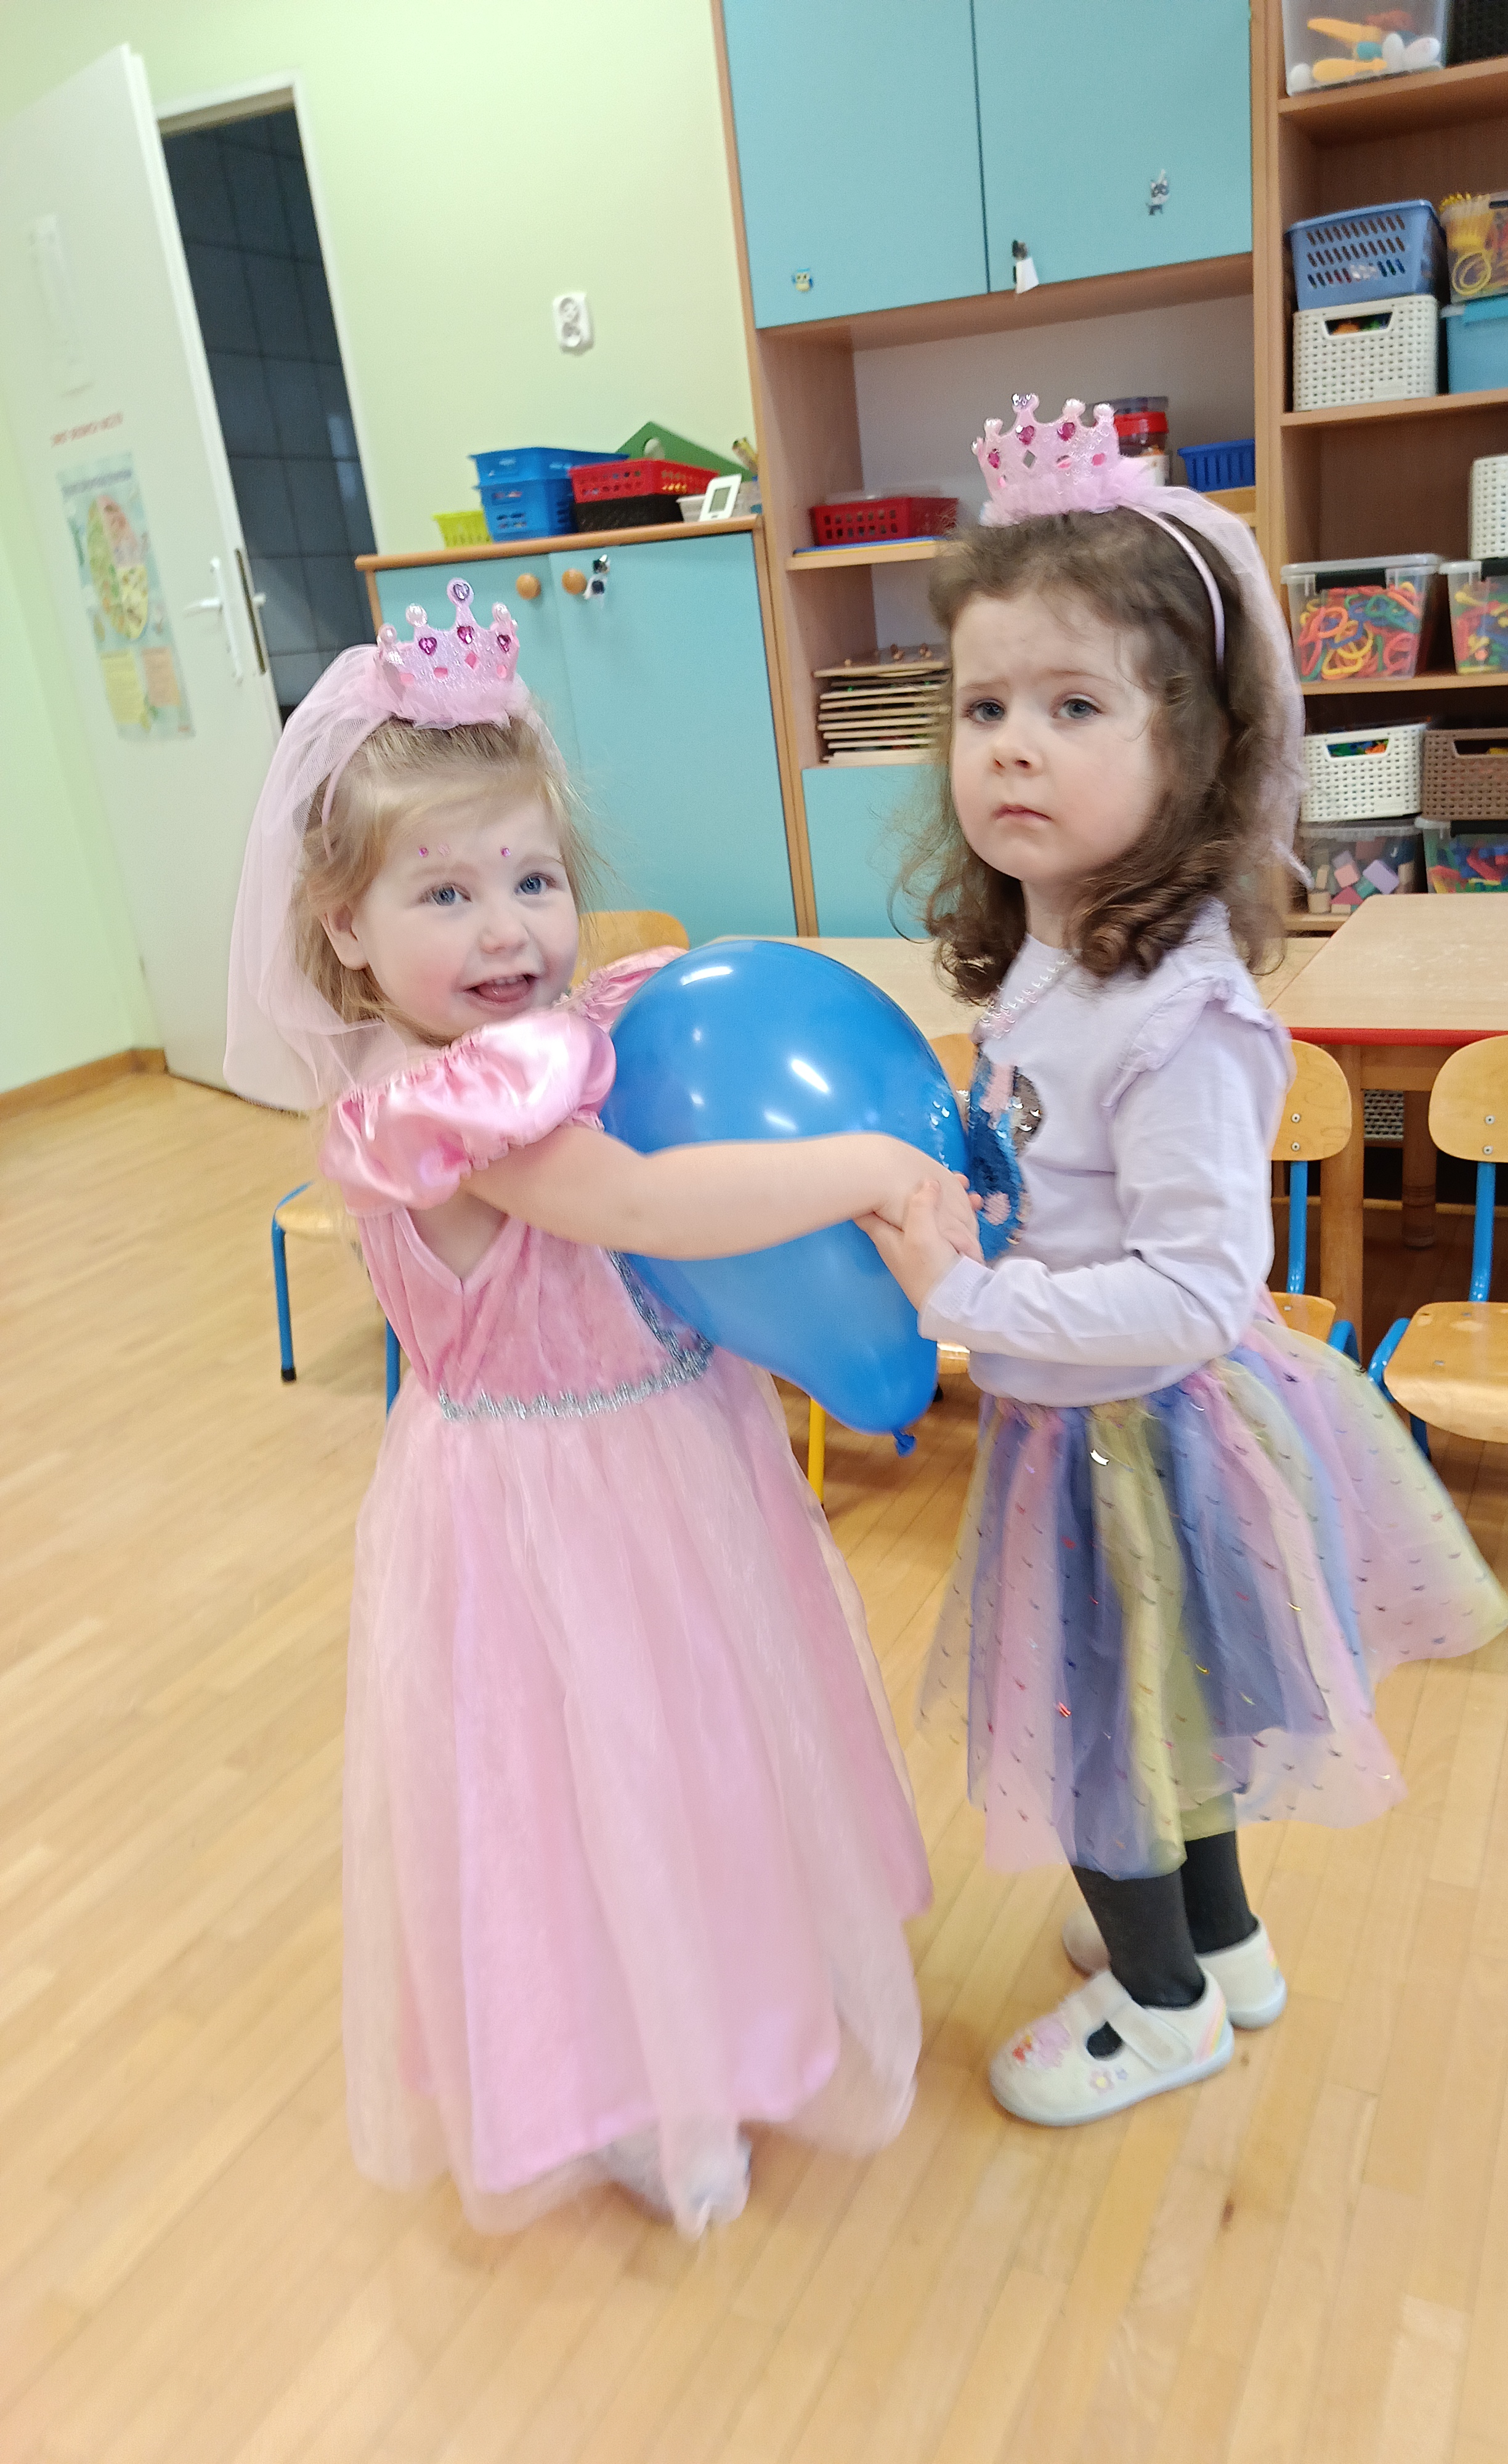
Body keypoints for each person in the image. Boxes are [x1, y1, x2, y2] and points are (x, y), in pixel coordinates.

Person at [224, 582, 975, 2234]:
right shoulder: (440, 1105)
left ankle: (730, 2020)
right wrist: (861, 1163)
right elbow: (638, 1211)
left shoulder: (542, 1048)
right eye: (445, 891)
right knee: (592, 1791)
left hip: (662, 1449)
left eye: (534, 879)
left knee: (695, 1761)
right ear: (343, 926)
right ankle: (642, 2092)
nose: (508, 928)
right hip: (552, 1512)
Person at [862, 401, 1508, 2126]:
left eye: (1074, 707)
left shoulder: (1180, 1012)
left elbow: (1202, 1286)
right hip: (1081, 1425)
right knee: (1167, 1717)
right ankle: (1218, 1948)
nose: (1013, 748)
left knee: (1097, 1733)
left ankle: (1160, 2012)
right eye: (984, 707)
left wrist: (963, 1298)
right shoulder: (1052, 957)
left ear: (1194, 751)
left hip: (1138, 1434)